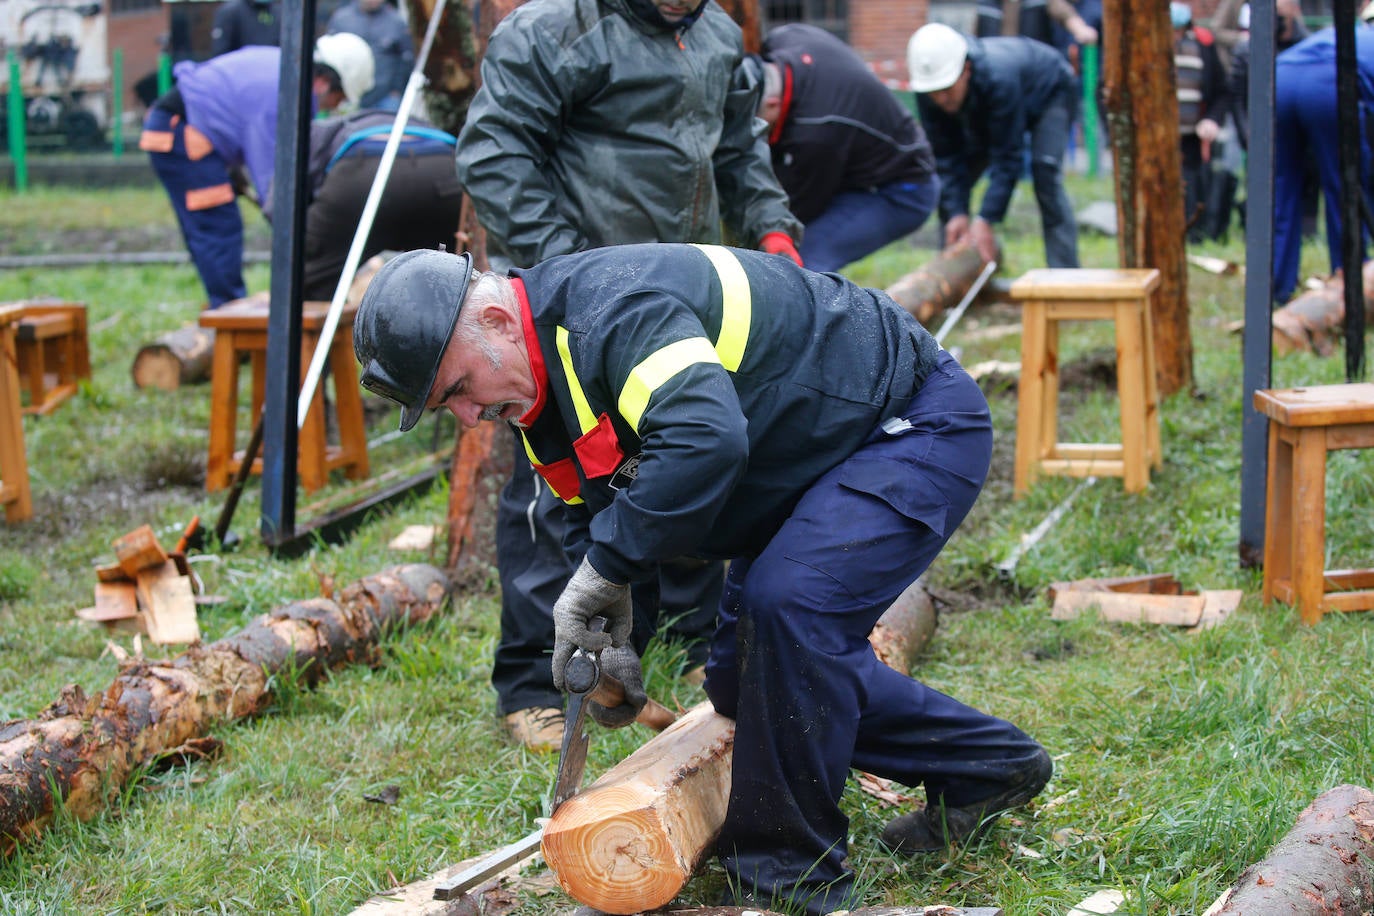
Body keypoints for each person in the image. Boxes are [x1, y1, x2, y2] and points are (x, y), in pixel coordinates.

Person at [352, 244, 1053, 916]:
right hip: (813, 459)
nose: (471, 416)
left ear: (499, 322)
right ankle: (989, 767)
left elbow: (703, 438)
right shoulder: (537, 390)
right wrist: (615, 633)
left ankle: (789, 879)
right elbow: (594, 514)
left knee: (790, 608)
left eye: (460, 390)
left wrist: (607, 573)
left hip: (910, 424)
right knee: (739, 682)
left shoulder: (615, 314)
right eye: (453, 408)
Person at [454, 0, 803, 751]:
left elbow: (739, 146)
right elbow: (494, 153)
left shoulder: (712, 34)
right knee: (554, 490)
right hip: (575, 310)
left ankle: (672, 644)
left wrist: (771, 227)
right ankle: (531, 680)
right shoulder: (553, 31)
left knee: (684, 455)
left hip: (681, 297)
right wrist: (573, 273)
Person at [139, 33, 375, 308]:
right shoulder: (288, 94)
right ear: (325, 82)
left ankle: (225, 308)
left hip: (189, 130)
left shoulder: (287, 70)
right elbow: (275, 182)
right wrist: (310, 236)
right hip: (182, 133)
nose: (336, 106)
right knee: (217, 226)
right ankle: (230, 316)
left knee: (211, 227)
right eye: (340, 97)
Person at [752, 23, 939, 273]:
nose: (754, 131)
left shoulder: (815, 133)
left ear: (774, 104)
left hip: (902, 189)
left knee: (802, 259)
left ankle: (822, 309)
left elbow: (796, 212)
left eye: (757, 121)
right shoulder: (783, 38)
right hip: (858, 161)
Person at [907, 22, 1081, 268]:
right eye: (934, 93)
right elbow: (945, 157)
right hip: (991, 103)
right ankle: (953, 269)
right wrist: (957, 212)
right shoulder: (929, 91)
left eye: (946, 89)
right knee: (955, 185)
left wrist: (986, 218)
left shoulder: (999, 79)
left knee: (1045, 171)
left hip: (1050, 89)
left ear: (966, 69)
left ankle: (1065, 275)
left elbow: (1008, 156)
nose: (941, 99)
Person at [279, 111, 462, 300]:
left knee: (308, 283)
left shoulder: (313, 133)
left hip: (361, 173)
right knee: (451, 275)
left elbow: (280, 210)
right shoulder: (417, 120)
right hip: (442, 170)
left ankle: (315, 320)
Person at [1271, 21, 1374, 303]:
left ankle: (1276, 285)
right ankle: (1348, 283)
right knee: (1345, 186)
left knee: (1280, 186)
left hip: (1280, 78)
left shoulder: (1344, 31)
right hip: (1329, 83)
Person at [1170, 2, 1233, 244]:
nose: (1174, 35)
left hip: (1191, 136)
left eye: (1178, 30)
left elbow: (1221, 90)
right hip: (1154, 139)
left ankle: (1194, 234)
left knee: (1193, 187)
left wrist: (1211, 120)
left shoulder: (1202, 45)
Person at [326, 0, 414, 111]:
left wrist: (397, 90)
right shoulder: (341, 19)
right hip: (346, 97)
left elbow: (406, 59)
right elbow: (328, 56)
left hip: (385, 97)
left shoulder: (396, 22)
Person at [209, 0, 281, 57]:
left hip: (271, 71)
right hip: (239, 71)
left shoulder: (278, 12)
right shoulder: (230, 11)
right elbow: (221, 51)